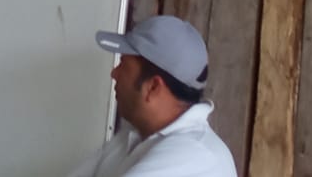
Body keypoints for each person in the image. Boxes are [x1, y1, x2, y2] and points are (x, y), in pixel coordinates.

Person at [66, 15, 237, 177]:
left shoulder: (196, 156)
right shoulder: (132, 137)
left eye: (123, 64)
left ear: (153, 87)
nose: (114, 73)